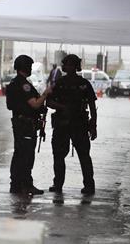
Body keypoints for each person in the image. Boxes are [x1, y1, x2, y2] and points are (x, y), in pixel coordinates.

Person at [47, 54, 97, 195]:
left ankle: (89, 185)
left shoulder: (84, 84)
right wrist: (62, 107)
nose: (69, 67)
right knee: (58, 155)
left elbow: (92, 106)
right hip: (62, 124)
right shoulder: (59, 83)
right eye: (67, 64)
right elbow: (49, 102)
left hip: (79, 124)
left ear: (76, 67)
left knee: (84, 156)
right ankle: (58, 184)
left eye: (71, 64)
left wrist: (93, 125)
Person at [5, 54, 52, 195]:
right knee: (26, 156)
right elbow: (35, 104)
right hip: (25, 125)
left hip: (20, 123)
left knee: (19, 154)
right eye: (30, 66)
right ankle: (25, 185)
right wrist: (45, 94)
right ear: (24, 67)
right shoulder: (23, 84)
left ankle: (16, 185)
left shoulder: (15, 83)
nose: (31, 68)